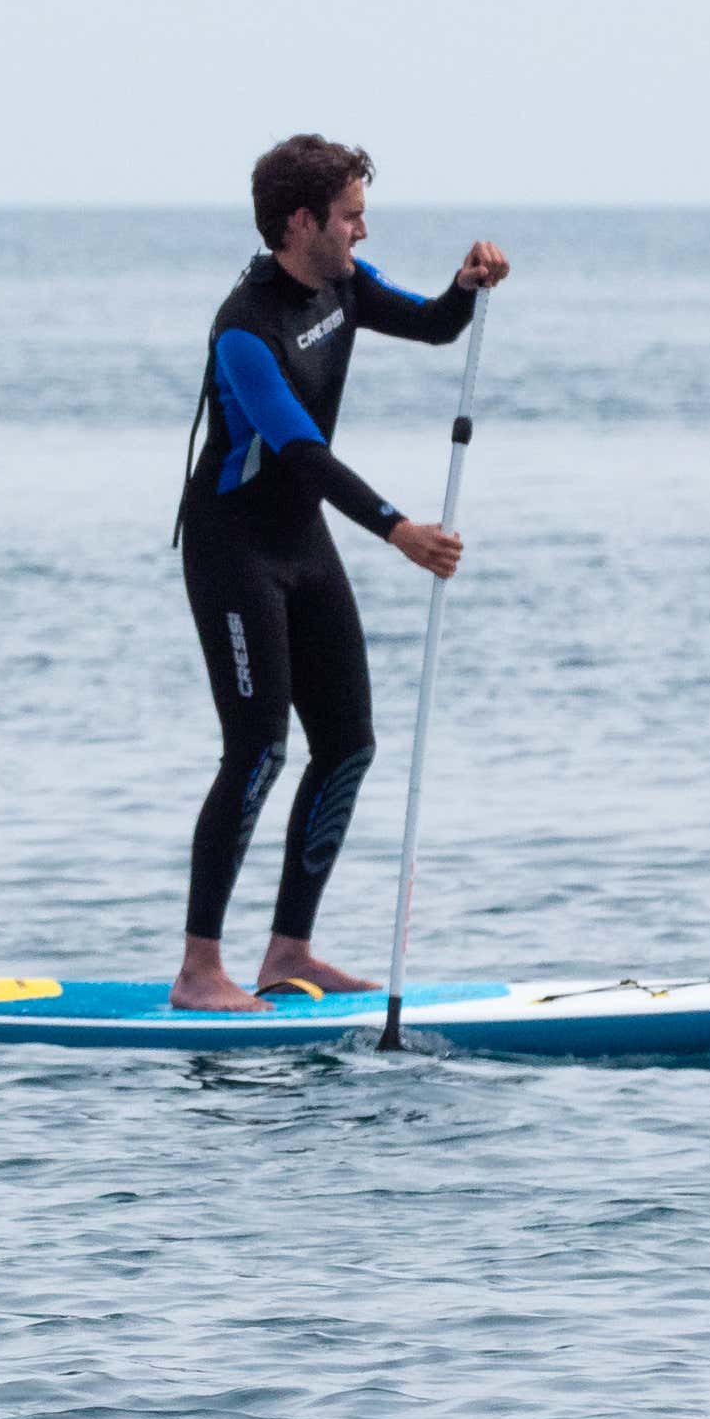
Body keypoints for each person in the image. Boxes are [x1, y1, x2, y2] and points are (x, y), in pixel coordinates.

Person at [171, 136, 508, 1011]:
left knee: (348, 744)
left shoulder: (343, 285)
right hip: (234, 547)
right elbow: (299, 450)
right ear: (302, 221)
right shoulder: (245, 330)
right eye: (351, 213)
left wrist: (464, 288)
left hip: (300, 539)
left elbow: (434, 324)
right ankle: (200, 969)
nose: (363, 228)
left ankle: (290, 952)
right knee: (257, 752)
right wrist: (399, 530)